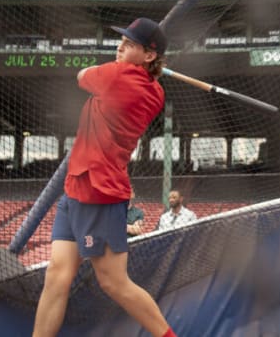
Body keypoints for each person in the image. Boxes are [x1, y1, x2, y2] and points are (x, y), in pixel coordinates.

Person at [33, 18, 177, 337]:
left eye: (129, 44)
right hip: (77, 187)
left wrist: (131, 67)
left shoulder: (120, 75)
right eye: (121, 41)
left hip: (99, 190)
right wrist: (144, 69)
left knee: (114, 282)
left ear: (150, 55)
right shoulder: (154, 91)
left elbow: (81, 75)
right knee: (57, 275)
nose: (119, 47)